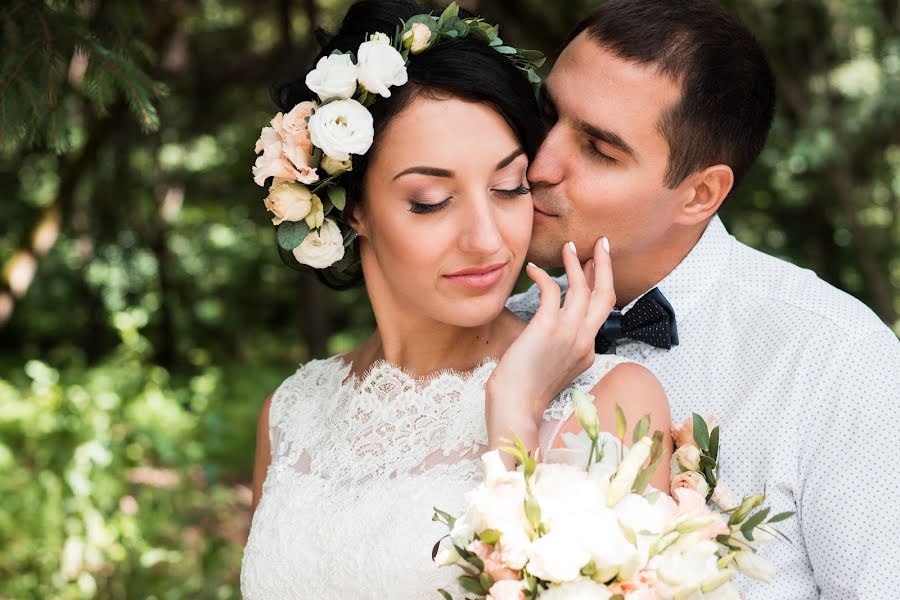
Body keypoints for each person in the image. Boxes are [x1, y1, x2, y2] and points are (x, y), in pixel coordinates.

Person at [240, 1, 672, 597]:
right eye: (430, 201)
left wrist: (515, 407)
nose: (487, 240)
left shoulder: (610, 406)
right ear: (354, 207)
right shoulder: (291, 414)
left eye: (508, 188)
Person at [508, 0, 900, 597]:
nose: (538, 164)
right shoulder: (501, 331)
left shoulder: (836, 360)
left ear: (699, 195)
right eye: (546, 113)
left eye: (599, 150)